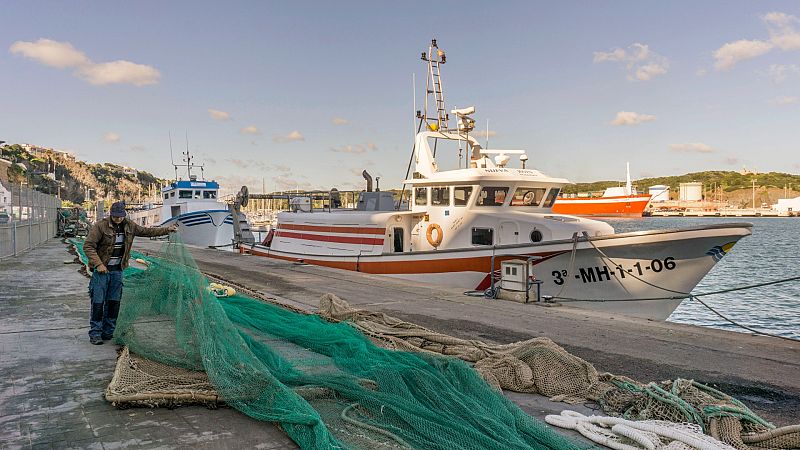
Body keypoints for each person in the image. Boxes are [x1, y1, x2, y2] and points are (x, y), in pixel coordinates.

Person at [83, 201, 178, 345]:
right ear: (111, 214)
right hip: (102, 272)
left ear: (124, 214)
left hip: (117, 271)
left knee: (114, 302)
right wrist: (99, 264)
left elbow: (147, 232)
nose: (118, 219)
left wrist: (167, 230)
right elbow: (88, 246)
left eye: (120, 216)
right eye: (115, 216)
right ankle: (95, 333)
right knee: (98, 302)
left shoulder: (130, 226)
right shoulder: (100, 226)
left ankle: (108, 331)